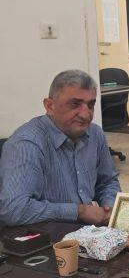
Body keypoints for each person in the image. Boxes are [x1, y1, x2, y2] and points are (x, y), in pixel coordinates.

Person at [0, 70, 121, 226]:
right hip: (45, 234)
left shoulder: (95, 134)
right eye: (75, 104)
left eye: (91, 105)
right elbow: (14, 210)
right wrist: (79, 211)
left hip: (87, 232)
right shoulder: (27, 144)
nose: (86, 115)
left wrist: (109, 207)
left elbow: (107, 181)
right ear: (50, 106)